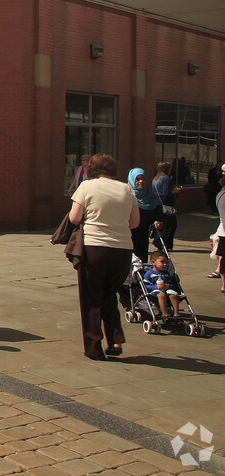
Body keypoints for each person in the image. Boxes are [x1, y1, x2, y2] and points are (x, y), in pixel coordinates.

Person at [69, 152, 139, 360]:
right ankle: (115, 339)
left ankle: (94, 346)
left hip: (94, 248)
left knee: (92, 297)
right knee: (110, 294)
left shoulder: (87, 187)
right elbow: (134, 222)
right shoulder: (127, 189)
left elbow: (74, 217)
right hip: (122, 249)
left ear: (92, 169)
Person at [127, 168, 162, 261]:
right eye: (137, 179)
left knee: (141, 262)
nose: (141, 181)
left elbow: (157, 216)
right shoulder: (126, 197)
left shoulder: (152, 198)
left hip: (142, 238)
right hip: (127, 237)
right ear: (132, 180)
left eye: (143, 179)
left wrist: (157, 222)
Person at [142, 253, 185, 319]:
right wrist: (156, 287)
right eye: (162, 262)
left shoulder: (166, 273)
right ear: (153, 262)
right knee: (161, 295)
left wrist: (168, 286)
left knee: (173, 295)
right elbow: (146, 285)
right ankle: (165, 313)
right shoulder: (149, 273)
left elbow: (172, 283)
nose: (165, 264)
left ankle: (176, 314)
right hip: (155, 291)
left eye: (167, 262)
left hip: (167, 289)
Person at [152, 161, 178, 251]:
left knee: (162, 225)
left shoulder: (155, 178)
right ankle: (164, 243)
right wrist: (174, 191)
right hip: (165, 205)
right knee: (170, 225)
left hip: (157, 204)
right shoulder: (166, 178)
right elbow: (166, 193)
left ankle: (160, 242)